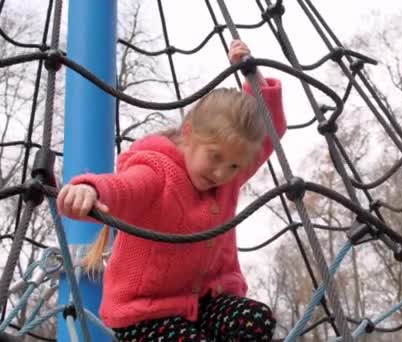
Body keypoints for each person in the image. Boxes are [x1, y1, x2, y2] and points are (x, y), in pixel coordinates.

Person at [57, 39, 285, 341]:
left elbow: (269, 134)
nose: (221, 173)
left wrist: (253, 78)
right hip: (145, 314)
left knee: (256, 320)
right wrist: (88, 190)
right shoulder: (157, 170)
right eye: (214, 156)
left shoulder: (228, 175)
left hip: (207, 302)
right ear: (189, 134)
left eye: (233, 166)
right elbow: (123, 187)